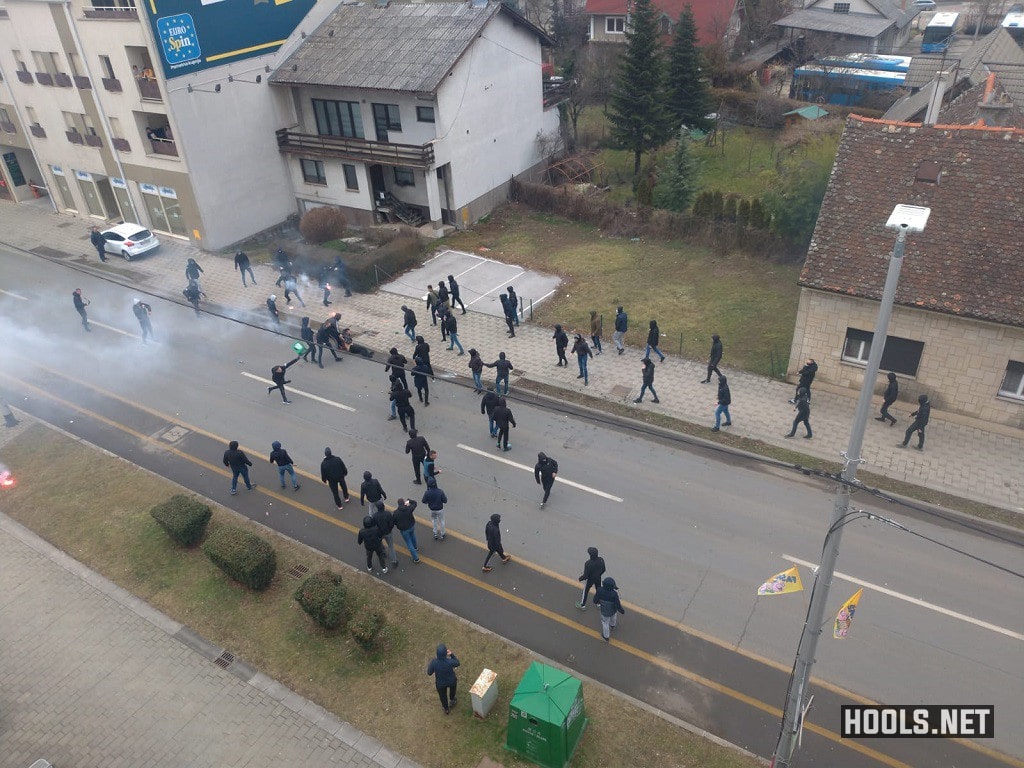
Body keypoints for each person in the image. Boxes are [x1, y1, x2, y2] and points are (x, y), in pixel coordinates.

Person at [426, 644, 460, 714]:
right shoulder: (449, 662)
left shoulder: (434, 662)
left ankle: (446, 709)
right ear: (445, 653)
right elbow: (457, 663)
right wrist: (451, 655)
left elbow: (429, 673)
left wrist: (432, 665)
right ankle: (452, 700)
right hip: (451, 681)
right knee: (452, 690)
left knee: (442, 696)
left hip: (440, 684)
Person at [593, 576, 625, 641]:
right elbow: (617, 604)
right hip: (613, 610)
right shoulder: (614, 594)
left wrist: (598, 602)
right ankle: (613, 625)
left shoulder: (599, 590)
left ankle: (606, 637)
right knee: (613, 617)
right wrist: (621, 610)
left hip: (604, 611)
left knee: (605, 623)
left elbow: (595, 600)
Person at [392, 498, 420, 563]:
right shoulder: (409, 508)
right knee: (413, 536)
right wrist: (409, 500)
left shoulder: (396, 513)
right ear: (404, 503)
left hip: (403, 530)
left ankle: (416, 558)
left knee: (408, 542)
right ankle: (415, 547)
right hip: (411, 526)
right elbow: (415, 503)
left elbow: (394, 522)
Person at [373, 503, 399, 569]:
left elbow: (374, 526)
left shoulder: (375, 516)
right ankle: (394, 561)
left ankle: (383, 553)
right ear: (384, 507)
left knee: (380, 544)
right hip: (388, 532)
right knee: (391, 546)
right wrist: (389, 529)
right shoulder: (388, 514)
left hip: (380, 533)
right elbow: (392, 523)